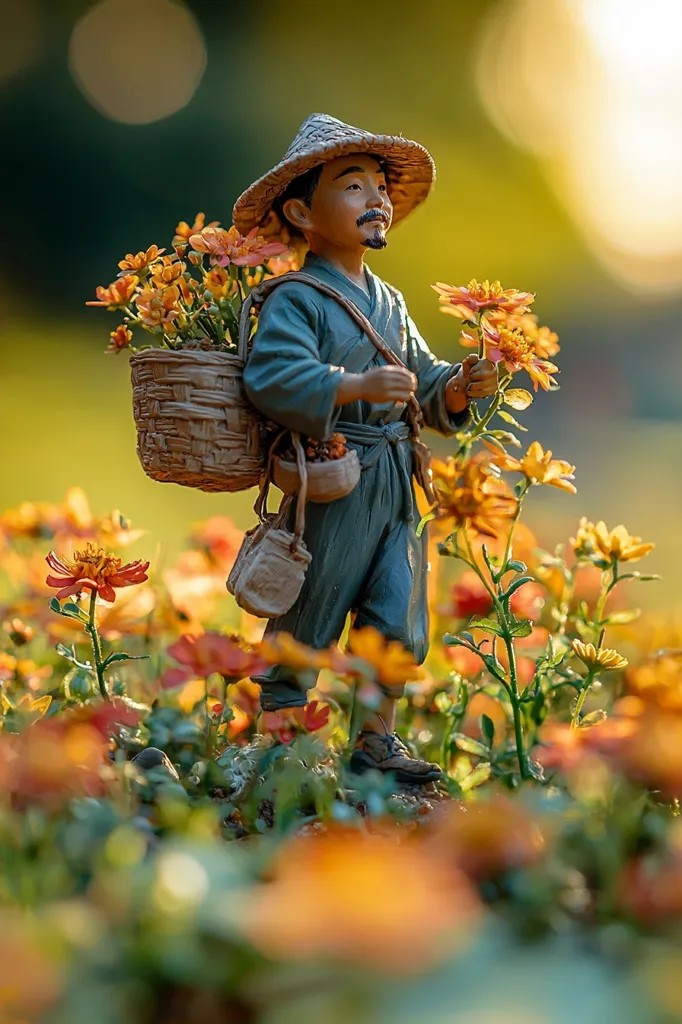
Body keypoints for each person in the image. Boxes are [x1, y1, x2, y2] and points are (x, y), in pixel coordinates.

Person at [233, 113, 497, 784]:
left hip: (395, 476)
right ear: (302, 210)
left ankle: (376, 742)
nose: (376, 199)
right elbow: (273, 376)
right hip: (334, 475)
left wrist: (460, 386)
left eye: (380, 187)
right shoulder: (297, 298)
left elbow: (424, 383)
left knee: (398, 607)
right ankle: (280, 737)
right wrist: (351, 386)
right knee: (312, 606)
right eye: (353, 186)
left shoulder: (392, 301)